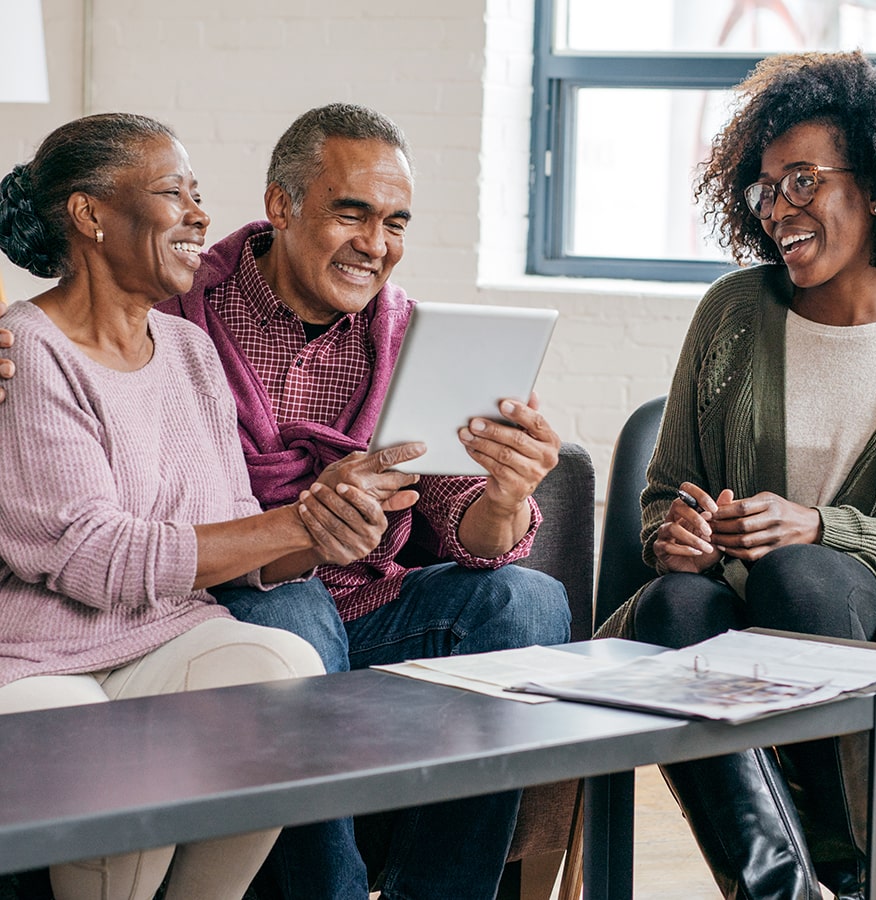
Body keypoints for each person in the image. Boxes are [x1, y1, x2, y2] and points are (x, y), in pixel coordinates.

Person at [152, 102, 572, 900]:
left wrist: (509, 492)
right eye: (352, 213)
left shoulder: (413, 333)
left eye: (395, 222)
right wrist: (309, 526)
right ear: (282, 204)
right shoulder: (179, 317)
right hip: (225, 610)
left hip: (370, 607)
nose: (376, 245)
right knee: (295, 619)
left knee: (527, 602)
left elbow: (470, 531)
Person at [0, 111, 421, 900]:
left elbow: (238, 523)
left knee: (284, 669)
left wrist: (326, 531)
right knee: (116, 755)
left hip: (160, 635)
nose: (201, 214)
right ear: (90, 215)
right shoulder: (30, 351)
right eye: (172, 193)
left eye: (199, 194)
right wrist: (292, 520)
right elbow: (96, 555)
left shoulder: (190, 351)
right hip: (35, 658)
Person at [597, 50, 876, 900]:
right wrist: (676, 536)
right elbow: (667, 490)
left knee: (804, 576)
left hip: (867, 610)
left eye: (802, 181)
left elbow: (826, 551)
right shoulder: (735, 312)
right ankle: (784, 889)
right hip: (722, 618)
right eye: (766, 188)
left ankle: (848, 865)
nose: (779, 209)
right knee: (674, 606)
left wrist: (822, 527)